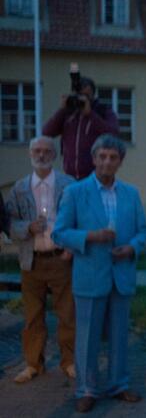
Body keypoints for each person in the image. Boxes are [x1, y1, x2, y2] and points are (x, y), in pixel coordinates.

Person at [52, 135, 146, 413]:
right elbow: (59, 233)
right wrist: (90, 236)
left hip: (121, 274)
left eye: (113, 157)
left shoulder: (130, 193)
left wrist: (131, 248)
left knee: (120, 336)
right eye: (102, 156)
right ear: (94, 159)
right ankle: (86, 389)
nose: (107, 161)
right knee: (87, 338)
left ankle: (119, 384)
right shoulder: (75, 192)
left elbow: (143, 231)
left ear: (120, 161)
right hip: (90, 275)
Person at [5, 137, 76, 383]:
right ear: (29, 153)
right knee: (33, 315)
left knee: (67, 314)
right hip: (31, 260)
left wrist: (72, 248)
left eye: (47, 151)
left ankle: (69, 361)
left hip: (61, 258)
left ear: (54, 154)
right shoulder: (19, 188)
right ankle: (34, 364)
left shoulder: (69, 185)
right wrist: (27, 227)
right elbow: (9, 225)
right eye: (37, 150)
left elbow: (80, 219)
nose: (42, 155)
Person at [42, 76, 118, 180]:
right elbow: (47, 132)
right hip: (70, 175)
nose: (82, 98)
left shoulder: (102, 110)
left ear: (93, 95)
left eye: (86, 95)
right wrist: (62, 110)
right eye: (79, 94)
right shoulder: (69, 113)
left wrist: (90, 114)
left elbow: (113, 133)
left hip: (95, 175)